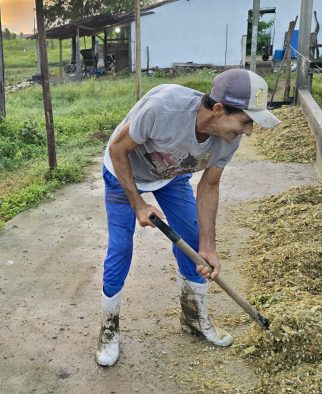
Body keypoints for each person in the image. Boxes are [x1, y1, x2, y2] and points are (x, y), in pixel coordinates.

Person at [96, 69, 281, 367]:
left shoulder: (228, 137)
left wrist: (209, 246)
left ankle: (194, 318)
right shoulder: (163, 108)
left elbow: (209, 185)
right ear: (218, 109)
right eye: (245, 121)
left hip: (170, 175)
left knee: (195, 244)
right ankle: (109, 328)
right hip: (124, 172)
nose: (248, 132)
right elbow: (118, 149)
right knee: (121, 248)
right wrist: (139, 204)